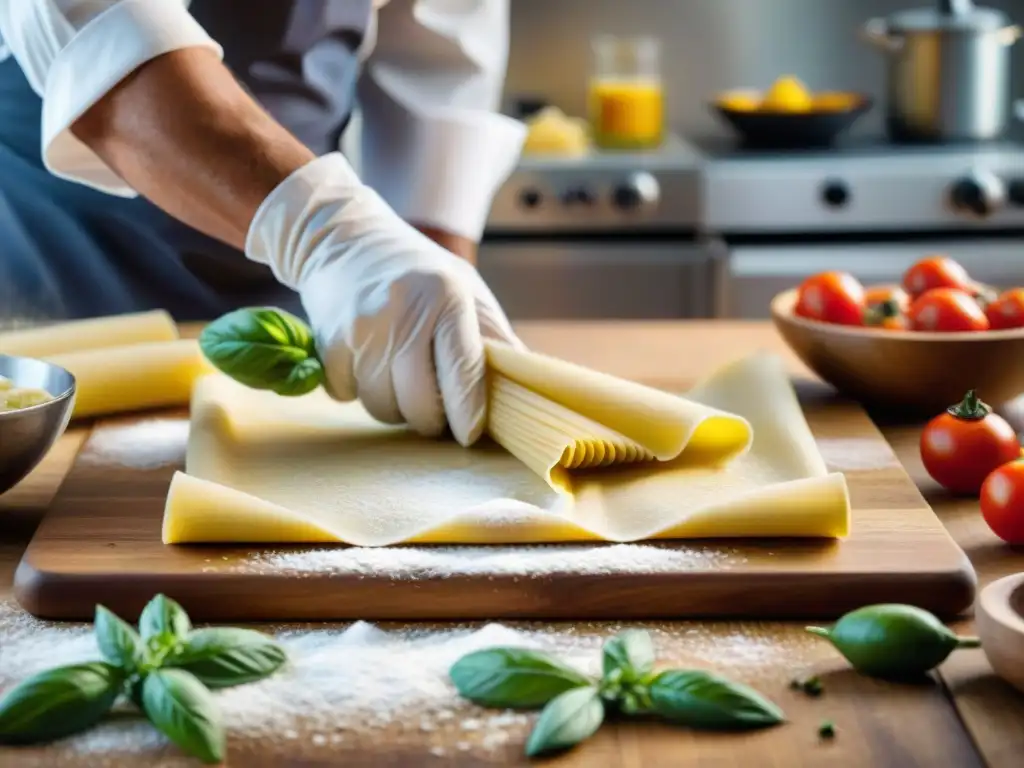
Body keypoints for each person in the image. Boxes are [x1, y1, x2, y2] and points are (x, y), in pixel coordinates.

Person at [0, 0, 527, 447]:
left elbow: (436, 54)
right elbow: (100, 31)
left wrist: (428, 288)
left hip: (297, 315)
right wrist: (329, 235)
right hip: (56, 295)